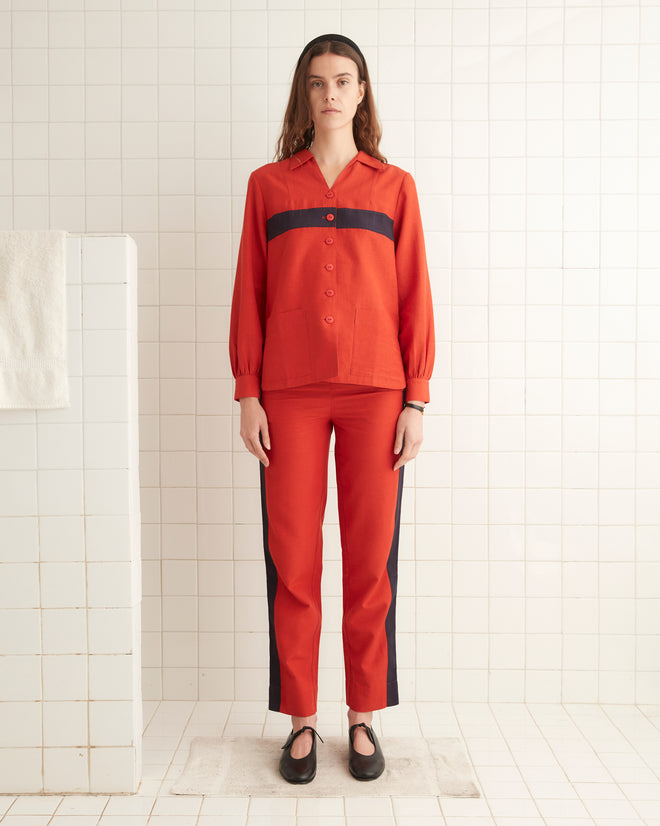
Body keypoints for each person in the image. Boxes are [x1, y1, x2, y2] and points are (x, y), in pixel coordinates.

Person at [229, 33, 435, 784]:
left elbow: (415, 293)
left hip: (378, 394)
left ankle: (364, 716)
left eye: (343, 81)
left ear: (362, 91)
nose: (330, 95)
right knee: (295, 560)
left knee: (370, 560)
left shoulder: (395, 187)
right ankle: (302, 720)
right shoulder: (268, 186)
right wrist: (247, 391)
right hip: (287, 394)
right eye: (317, 83)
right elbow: (249, 291)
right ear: (303, 95)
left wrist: (416, 396)